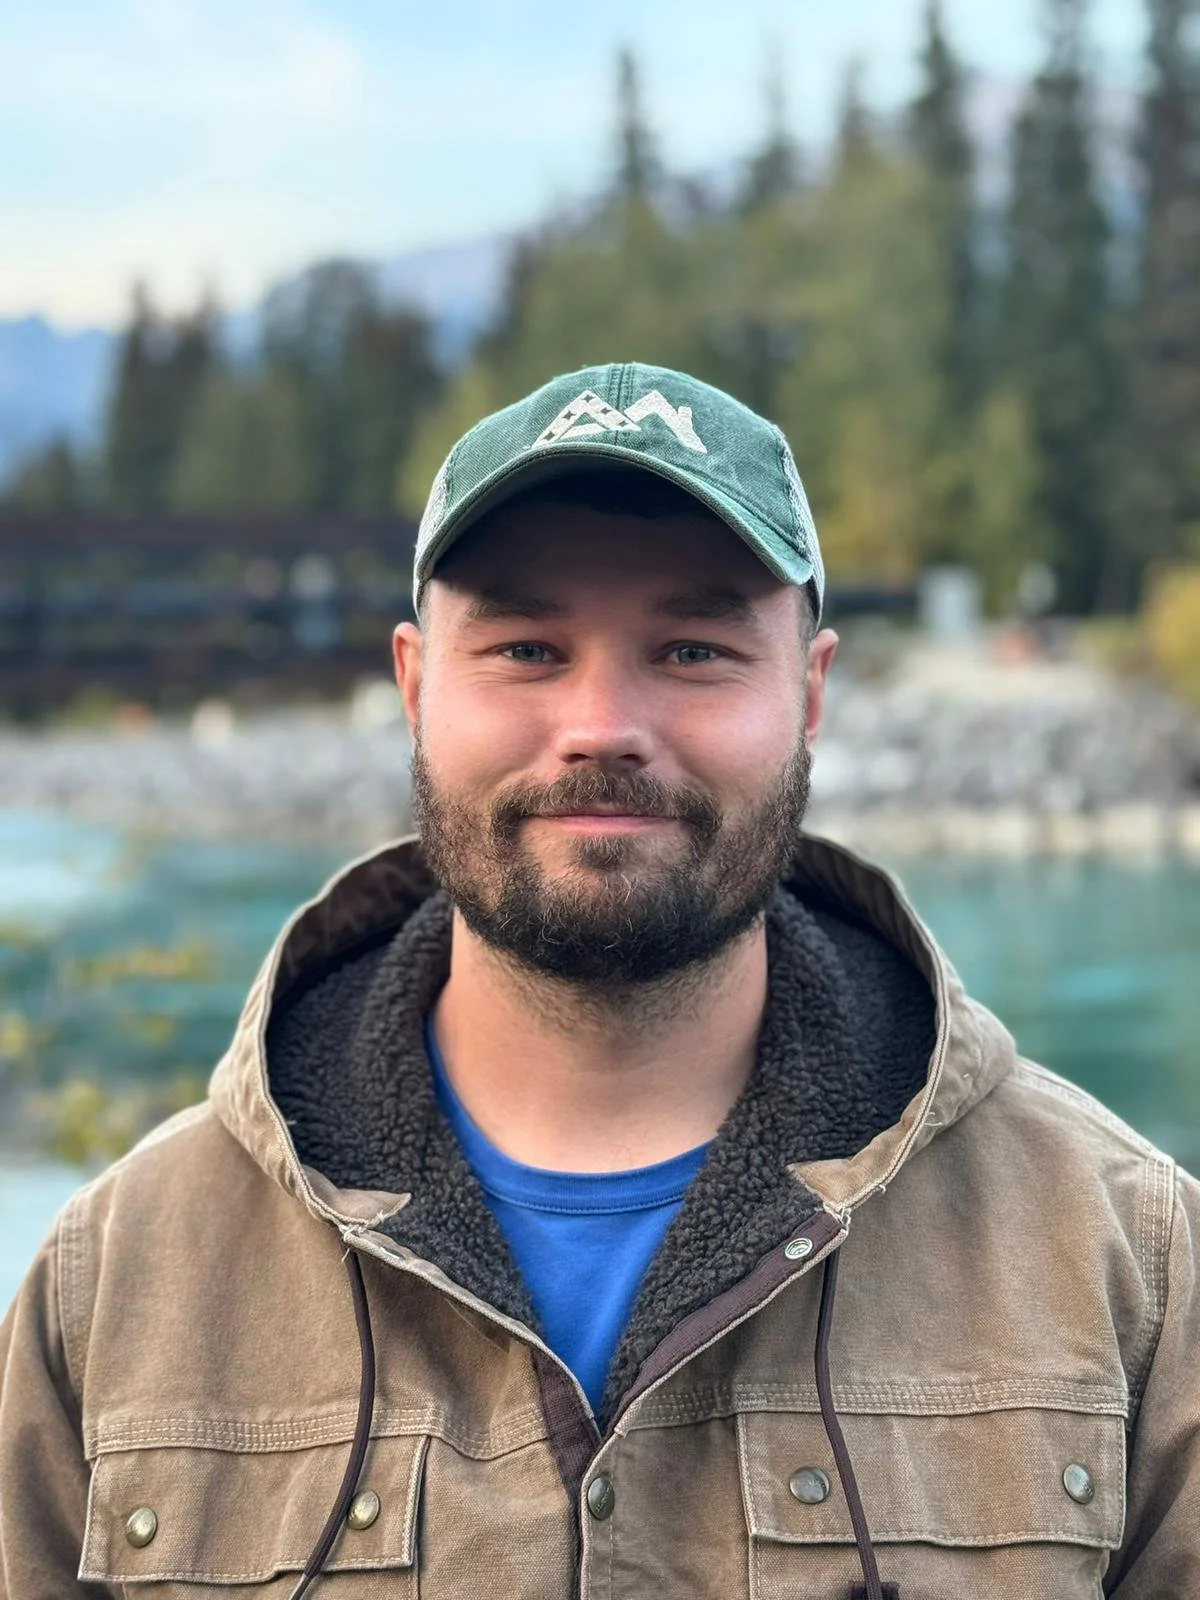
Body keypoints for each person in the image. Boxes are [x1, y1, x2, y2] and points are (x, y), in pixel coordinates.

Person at [0, 363, 1196, 1600]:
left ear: (812, 693)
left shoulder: (1129, 1261)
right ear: (415, 689)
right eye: (525, 647)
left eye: (692, 648)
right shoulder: (115, 1284)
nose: (602, 723)